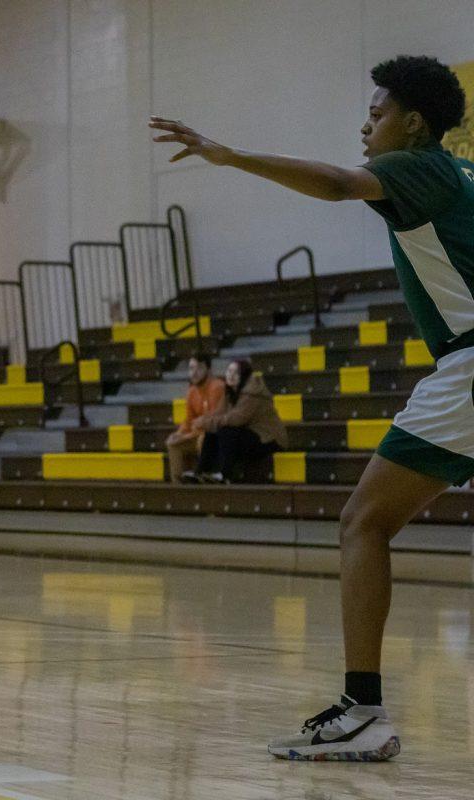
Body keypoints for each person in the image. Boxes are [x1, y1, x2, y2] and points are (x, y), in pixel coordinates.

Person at [152, 54, 470, 761]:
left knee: (363, 520)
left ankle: (362, 710)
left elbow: (336, 184)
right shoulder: (462, 179)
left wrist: (229, 156)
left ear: (415, 124)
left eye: (377, 113)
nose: (366, 126)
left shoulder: (419, 167)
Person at [188, 359, 286, 483]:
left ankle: (225, 474)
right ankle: (201, 472)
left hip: (269, 439)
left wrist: (204, 422)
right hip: (250, 435)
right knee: (212, 430)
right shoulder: (230, 391)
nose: (231, 375)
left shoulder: (253, 393)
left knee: (226, 431)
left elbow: (236, 419)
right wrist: (203, 420)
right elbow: (218, 413)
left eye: (236, 373)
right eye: (229, 371)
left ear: (244, 376)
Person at [165, 353, 226, 482]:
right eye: (191, 368)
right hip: (197, 434)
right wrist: (179, 433)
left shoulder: (217, 387)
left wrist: (188, 434)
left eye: (199, 368)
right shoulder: (192, 391)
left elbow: (211, 424)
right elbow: (189, 421)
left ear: (209, 371)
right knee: (173, 444)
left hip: (215, 437)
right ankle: (179, 487)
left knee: (203, 440)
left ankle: (204, 480)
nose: (194, 373)